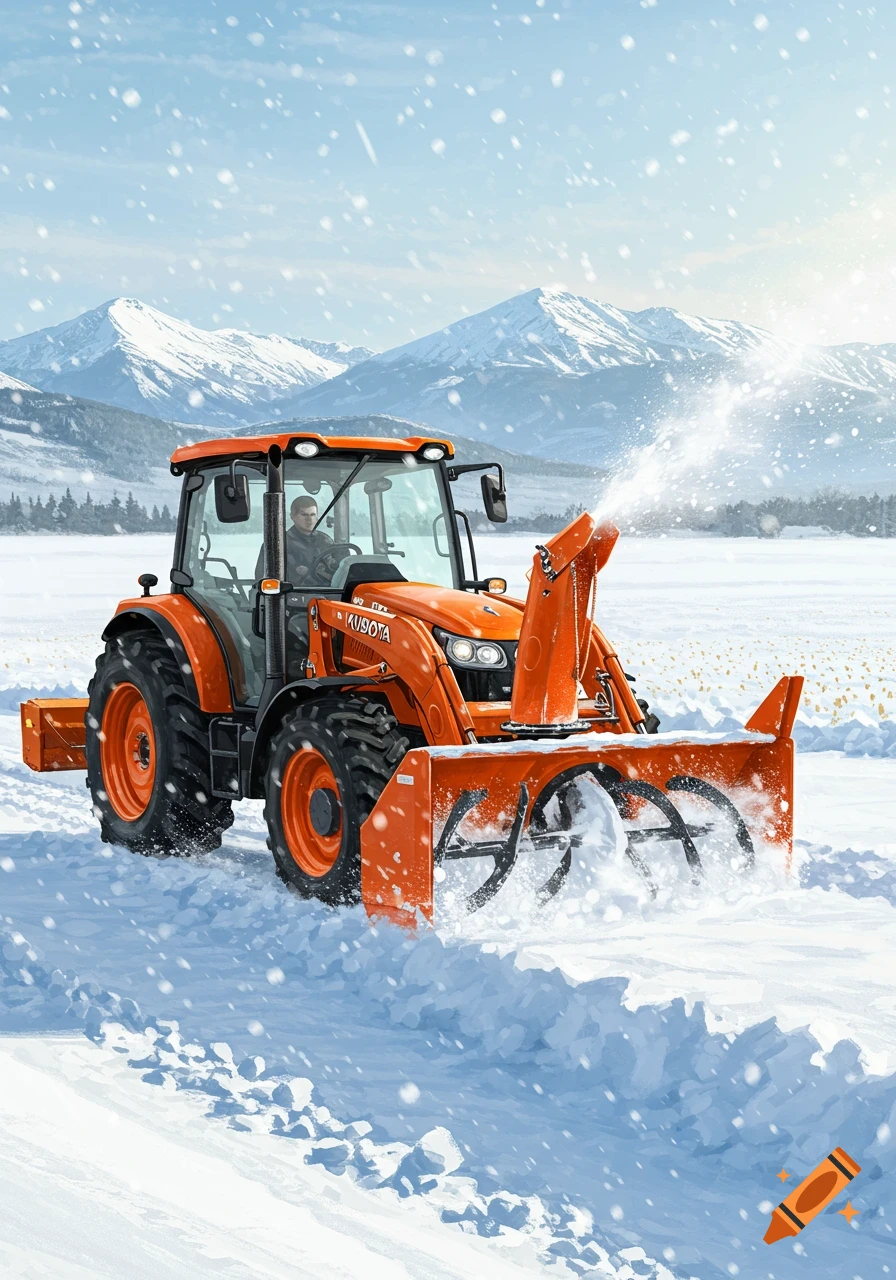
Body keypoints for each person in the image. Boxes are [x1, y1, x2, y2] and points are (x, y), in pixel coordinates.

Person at [255, 494, 334, 584]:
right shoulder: (276, 544)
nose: (309, 519)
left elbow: (340, 574)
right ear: (293, 516)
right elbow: (262, 579)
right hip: (290, 595)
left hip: (328, 594)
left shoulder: (326, 542)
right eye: (304, 514)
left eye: (312, 514)